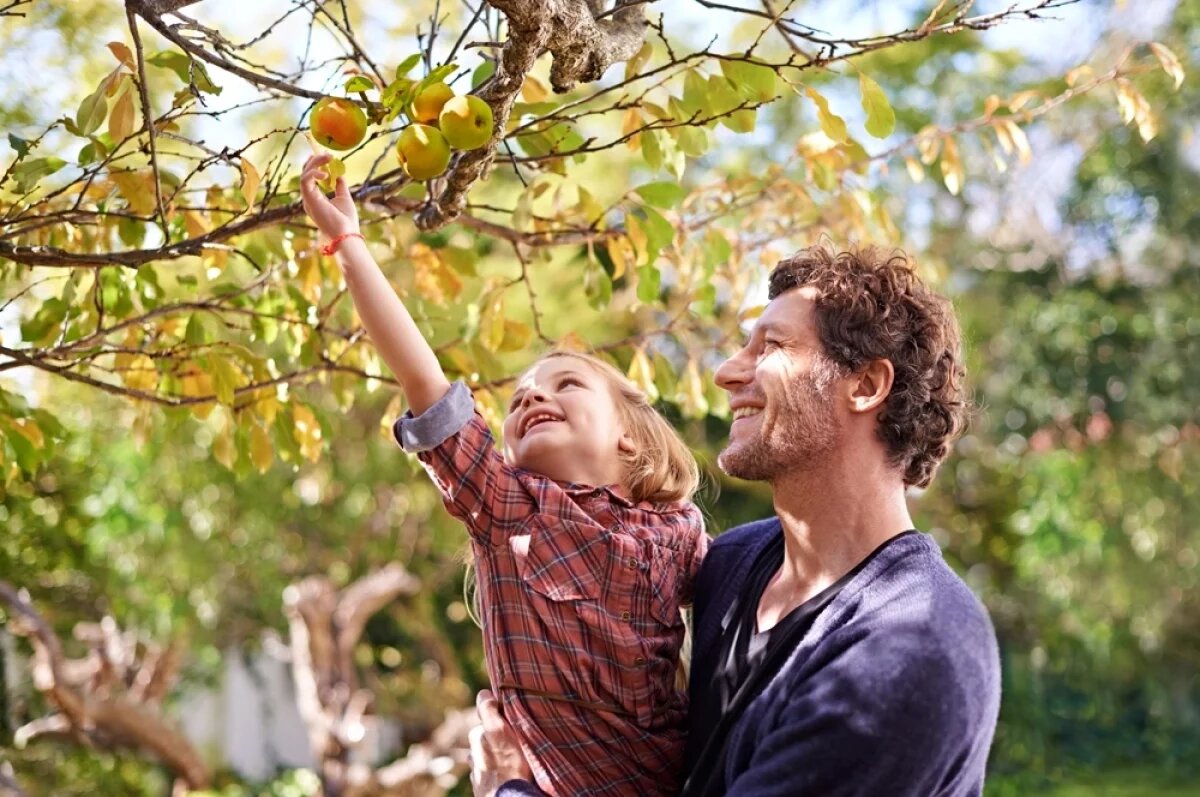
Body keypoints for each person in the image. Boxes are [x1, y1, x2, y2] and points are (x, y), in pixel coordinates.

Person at [471, 242, 1002, 797]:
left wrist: (510, 790)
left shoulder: (909, 652)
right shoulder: (729, 566)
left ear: (865, 386)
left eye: (771, 346)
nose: (726, 373)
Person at [299, 153, 710, 797]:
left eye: (565, 383)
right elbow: (426, 384)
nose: (529, 398)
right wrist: (348, 242)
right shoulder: (507, 508)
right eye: (517, 397)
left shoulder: (680, 530)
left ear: (629, 434)